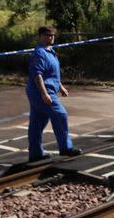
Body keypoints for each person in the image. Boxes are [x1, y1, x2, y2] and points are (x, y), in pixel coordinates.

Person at [26, 26, 82, 161]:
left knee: (37, 122)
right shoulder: (39, 53)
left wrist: (60, 87)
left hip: (48, 90)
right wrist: (44, 94)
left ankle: (35, 153)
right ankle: (65, 148)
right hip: (40, 91)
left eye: (52, 35)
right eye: (47, 35)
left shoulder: (51, 52)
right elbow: (37, 75)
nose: (50, 37)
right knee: (60, 114)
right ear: (40, 36)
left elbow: (52, 73)